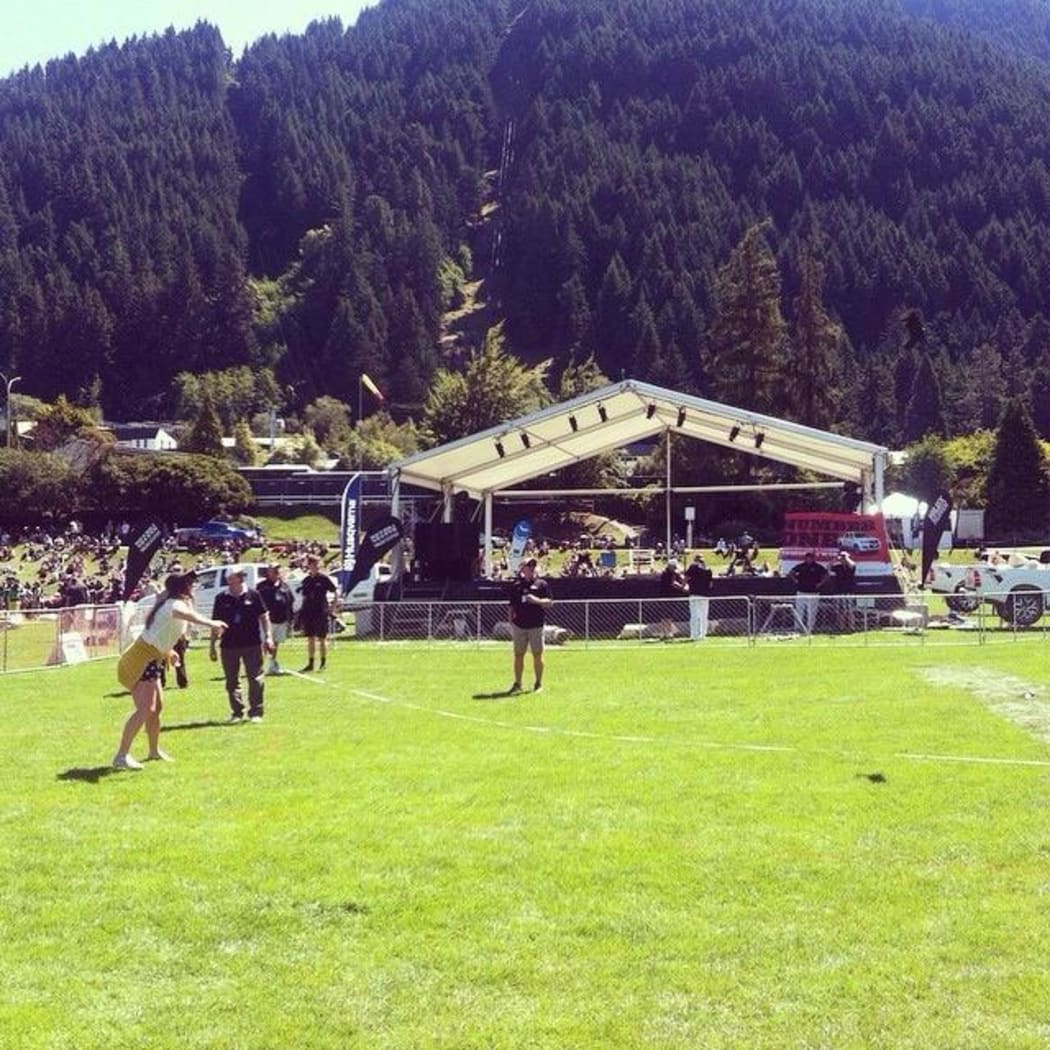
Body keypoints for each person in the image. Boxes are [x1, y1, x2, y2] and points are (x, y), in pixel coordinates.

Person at [113, 572, 227, 770]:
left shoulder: (170, 603)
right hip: (140, 661)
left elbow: (159, 635)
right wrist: (212, 623)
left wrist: (169, 652)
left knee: (156, 709)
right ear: (183, 588)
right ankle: (121, 756)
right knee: (145, 709)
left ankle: (154, 751)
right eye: (190, 585)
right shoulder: (174, 604)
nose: (193, 588)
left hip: (152, 658)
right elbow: (186, 615)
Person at [210, 570, 274, 723]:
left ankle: (256, 712)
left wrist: (268, 637)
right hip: (228, 645)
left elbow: (264, 616)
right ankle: (237, 712)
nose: (229, 581)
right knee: (231, 680)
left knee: (255, 678)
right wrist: (212, 645)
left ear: (240, 579)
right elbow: (215, 624)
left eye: (232, 578)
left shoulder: (253, 595)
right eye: (228, 579)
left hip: (252, 643)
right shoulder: (221, 598)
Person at [508, 557, 553, 693]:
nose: (531, 568)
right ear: (522, 568)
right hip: (519, 626)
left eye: (533, 566)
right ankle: (518, 684)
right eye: (528, 566)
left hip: (536, 625)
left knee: (537, 654)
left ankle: (538, 683)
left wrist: (536, 600)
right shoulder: (516, 586)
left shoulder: (542, 584)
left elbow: (550, 602)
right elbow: (511, 607)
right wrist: (511, 623)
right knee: (518, 655)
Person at [297, 555, 337, 672]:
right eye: (313, 564)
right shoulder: (306, 580)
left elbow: (335, 592)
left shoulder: (324, 579)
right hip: (309, 612)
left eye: (317, 564)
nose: (315, 566)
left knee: (322, 638)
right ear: (309, 565)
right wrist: (301, 612)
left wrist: (332, 608)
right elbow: (304, 597)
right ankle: (310, 663)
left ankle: (323, 663)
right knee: (310, 638)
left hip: (321, 612)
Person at [257, 563, 295, 675]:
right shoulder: (262, 586)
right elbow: (257, 602)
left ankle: (272, 664)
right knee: (264, 643)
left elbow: (289, 602)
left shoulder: (285, 586)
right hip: (267, 620)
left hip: (281, 619)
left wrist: (290, 620)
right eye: (273, 570)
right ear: (268, 572)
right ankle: (259, 665)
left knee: (275, 643)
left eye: (277, 570)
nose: (275, 572)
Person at [789, 551, 829, 634]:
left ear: (813, 558)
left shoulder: (818, 567)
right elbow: (791, 573)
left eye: (811, 557)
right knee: (799, 610)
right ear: (805, 558)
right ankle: (797, 628)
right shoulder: (801, 566)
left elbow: (826, 575)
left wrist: (820, 584)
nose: (809, 559)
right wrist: (795, 580)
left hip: (814, 593)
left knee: (812, 612)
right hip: (801, 591)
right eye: (808, 557)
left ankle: (810, 629)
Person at [685, 553, 713, 640]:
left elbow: (686, 578)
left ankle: (694, 635)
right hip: (705, 595)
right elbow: (711, 584)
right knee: (704, 616)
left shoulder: (693, 567)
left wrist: (684, 585)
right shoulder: (708, 570)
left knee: (694, 615)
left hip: (694, 594)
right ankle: (703, 635)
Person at [658, 557, 688, 638]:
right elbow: (673, 583)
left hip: (667, 596)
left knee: (667, 616)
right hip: (666, 597)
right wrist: (682, 587)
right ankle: (666, 632)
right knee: (666, 616)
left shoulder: (668, 573)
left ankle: (666, 632)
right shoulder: (667, 573)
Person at [828, 549, 857, 631]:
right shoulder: (838, 567)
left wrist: (846, 557)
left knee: (850, 610)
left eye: (844, 557)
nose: (843, 559)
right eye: (842, 558)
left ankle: (851, 627)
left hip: (849, 591)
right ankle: (841, 627)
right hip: (839, 591)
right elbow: (828, 568)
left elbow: (853, 565)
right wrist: (835, 559)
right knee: (840, 611)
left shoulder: (851, 566)